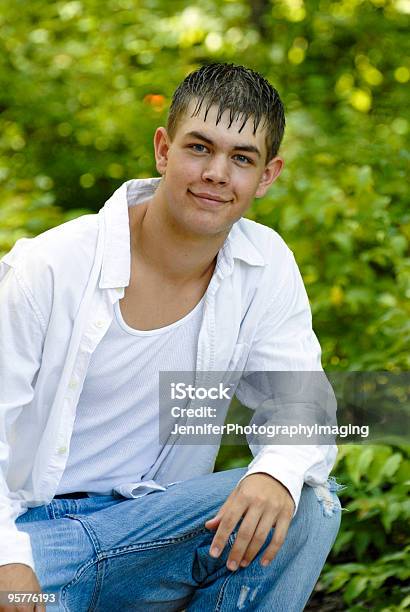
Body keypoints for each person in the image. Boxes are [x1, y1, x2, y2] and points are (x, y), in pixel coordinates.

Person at [0, 63, 341, 611]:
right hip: (35, 543)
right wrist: (7, 563)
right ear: (163, 149)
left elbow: (302, 403)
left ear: (268, 176)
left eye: (242, 158)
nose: (217, 173)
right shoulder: (52, 267)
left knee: (308, 499)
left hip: (149, 534)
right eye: (199, 148)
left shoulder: (265, 265)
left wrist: (276, 471)